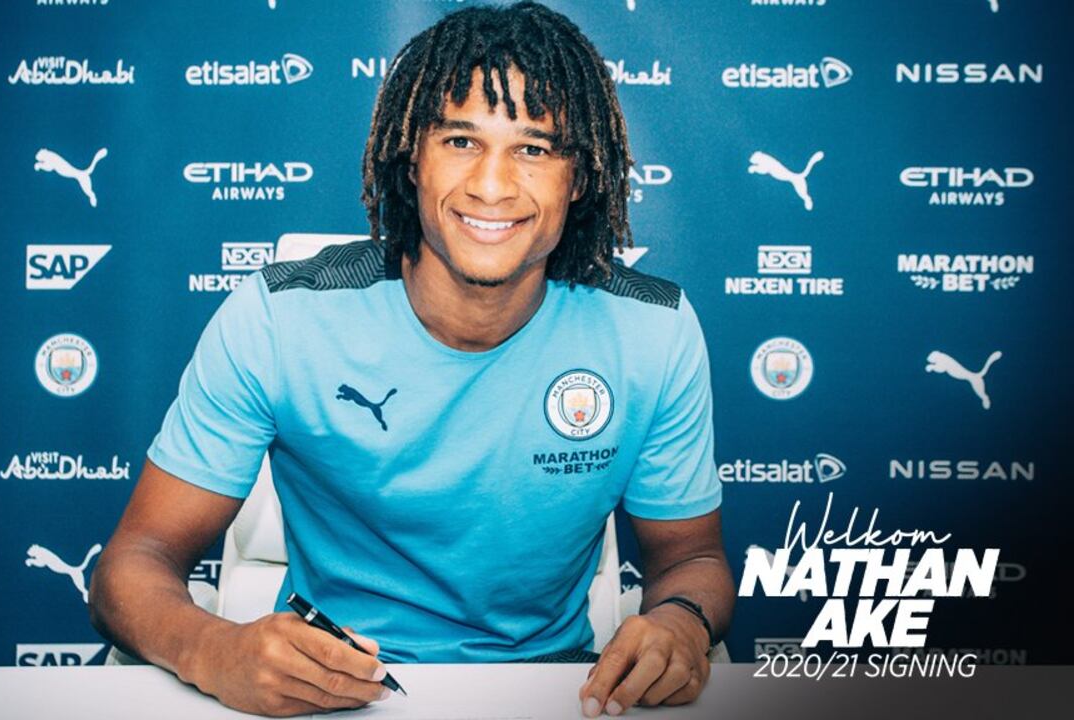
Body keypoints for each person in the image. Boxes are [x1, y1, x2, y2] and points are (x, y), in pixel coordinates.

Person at [89, 2, 734, 717]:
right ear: (411, 158)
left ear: (579, 177)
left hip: (551, 690)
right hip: (331, 689)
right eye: (460, 140)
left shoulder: (653, 330)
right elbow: (135, 561)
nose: (492, 185)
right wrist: (212, 650)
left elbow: (691, 559)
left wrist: (681, 622)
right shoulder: (281, 317)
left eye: (535, 148)